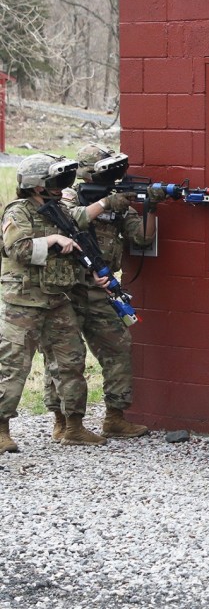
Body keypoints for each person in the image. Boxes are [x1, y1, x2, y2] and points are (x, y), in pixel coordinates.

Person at [0, 153, 132, 451]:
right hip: (24, 303)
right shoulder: (18, 212)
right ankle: (2, 429)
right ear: (37, 186)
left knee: (71, 362)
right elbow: (17, 248)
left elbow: (80, 220)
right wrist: (51, 241)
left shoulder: (57, 210)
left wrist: (108, 204)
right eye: (54, 181)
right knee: (12, 366)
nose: (61, 186)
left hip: (58, 300)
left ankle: (73, 426)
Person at [40, 143, 162, 442]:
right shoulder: (67, 197)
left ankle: (114, 418)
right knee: (63, 357)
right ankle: (62, 420)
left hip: (100, 289)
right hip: (67, 287)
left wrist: (150, 206)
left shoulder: (117, 201)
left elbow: (142, 238)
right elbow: (69, 220)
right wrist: (105, 204)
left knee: (118, 347)